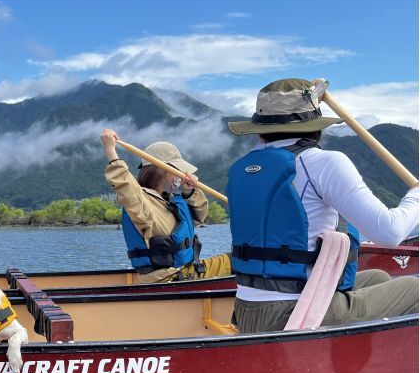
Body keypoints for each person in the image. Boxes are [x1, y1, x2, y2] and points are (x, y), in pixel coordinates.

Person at [226, 78, 418, 333]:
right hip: (290, 312)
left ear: (260, 127)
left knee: (378, 278)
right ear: (314, 125)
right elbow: (389, 232)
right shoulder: (321, 163)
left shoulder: (244, 169)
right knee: (415, 289)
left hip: (247, 311)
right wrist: (415, 197)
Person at [101, 129, 233, 283]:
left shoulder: (170, 199)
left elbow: (198, 218)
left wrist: (189, 191)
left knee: (243, 257)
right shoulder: (141, 202)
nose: (181, 175)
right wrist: (111, 151)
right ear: (161, 171)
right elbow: (125, 185)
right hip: (169, 278)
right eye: (176, 170)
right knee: (241, 260)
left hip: (186, 272)